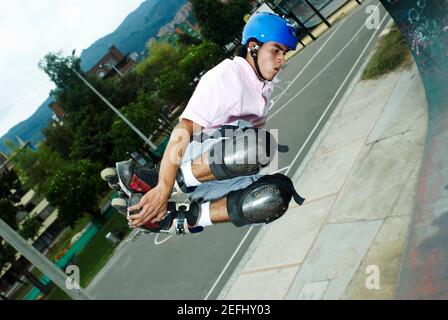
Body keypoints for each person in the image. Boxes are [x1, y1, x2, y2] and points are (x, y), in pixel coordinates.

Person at [127, 12, 304, 235]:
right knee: (260, 145)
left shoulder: (264, 86)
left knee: (273, 196)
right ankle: (172, 182)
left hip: (221, 170)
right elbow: (183, 130)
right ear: (253, 47)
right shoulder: (227, 76)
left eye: (285, 53)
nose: (281, 59)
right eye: (276, 50)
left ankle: (187, 218)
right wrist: (164, 186)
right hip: (196, 158)